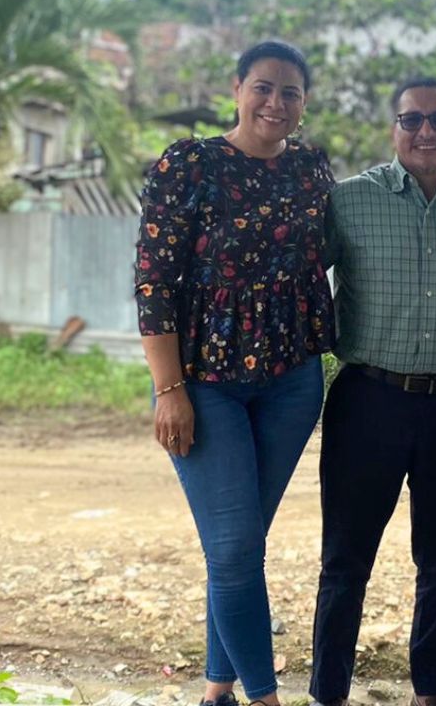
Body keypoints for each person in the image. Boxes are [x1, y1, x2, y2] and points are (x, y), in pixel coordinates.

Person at [134, 40, 334, 706]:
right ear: (237, 88)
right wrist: (169, 390)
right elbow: (153, 281)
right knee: (234, 544)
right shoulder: (188, 163)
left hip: (291, 380)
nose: (276, 103)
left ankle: (217, 689)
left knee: (241, 545)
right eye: (264, 87)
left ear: (304, 106)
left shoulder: (311, 170)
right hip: (206, 380)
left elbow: (332, 251)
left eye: (291, 93)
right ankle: (264, 696)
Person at [308, 77, 436, 706]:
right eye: (412, 119)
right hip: (367, 399)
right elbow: (292, 278)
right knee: (345, 561)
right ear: (393, 128)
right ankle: (328, 693)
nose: (426, 131)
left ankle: (433, 692)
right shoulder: (348, 202)